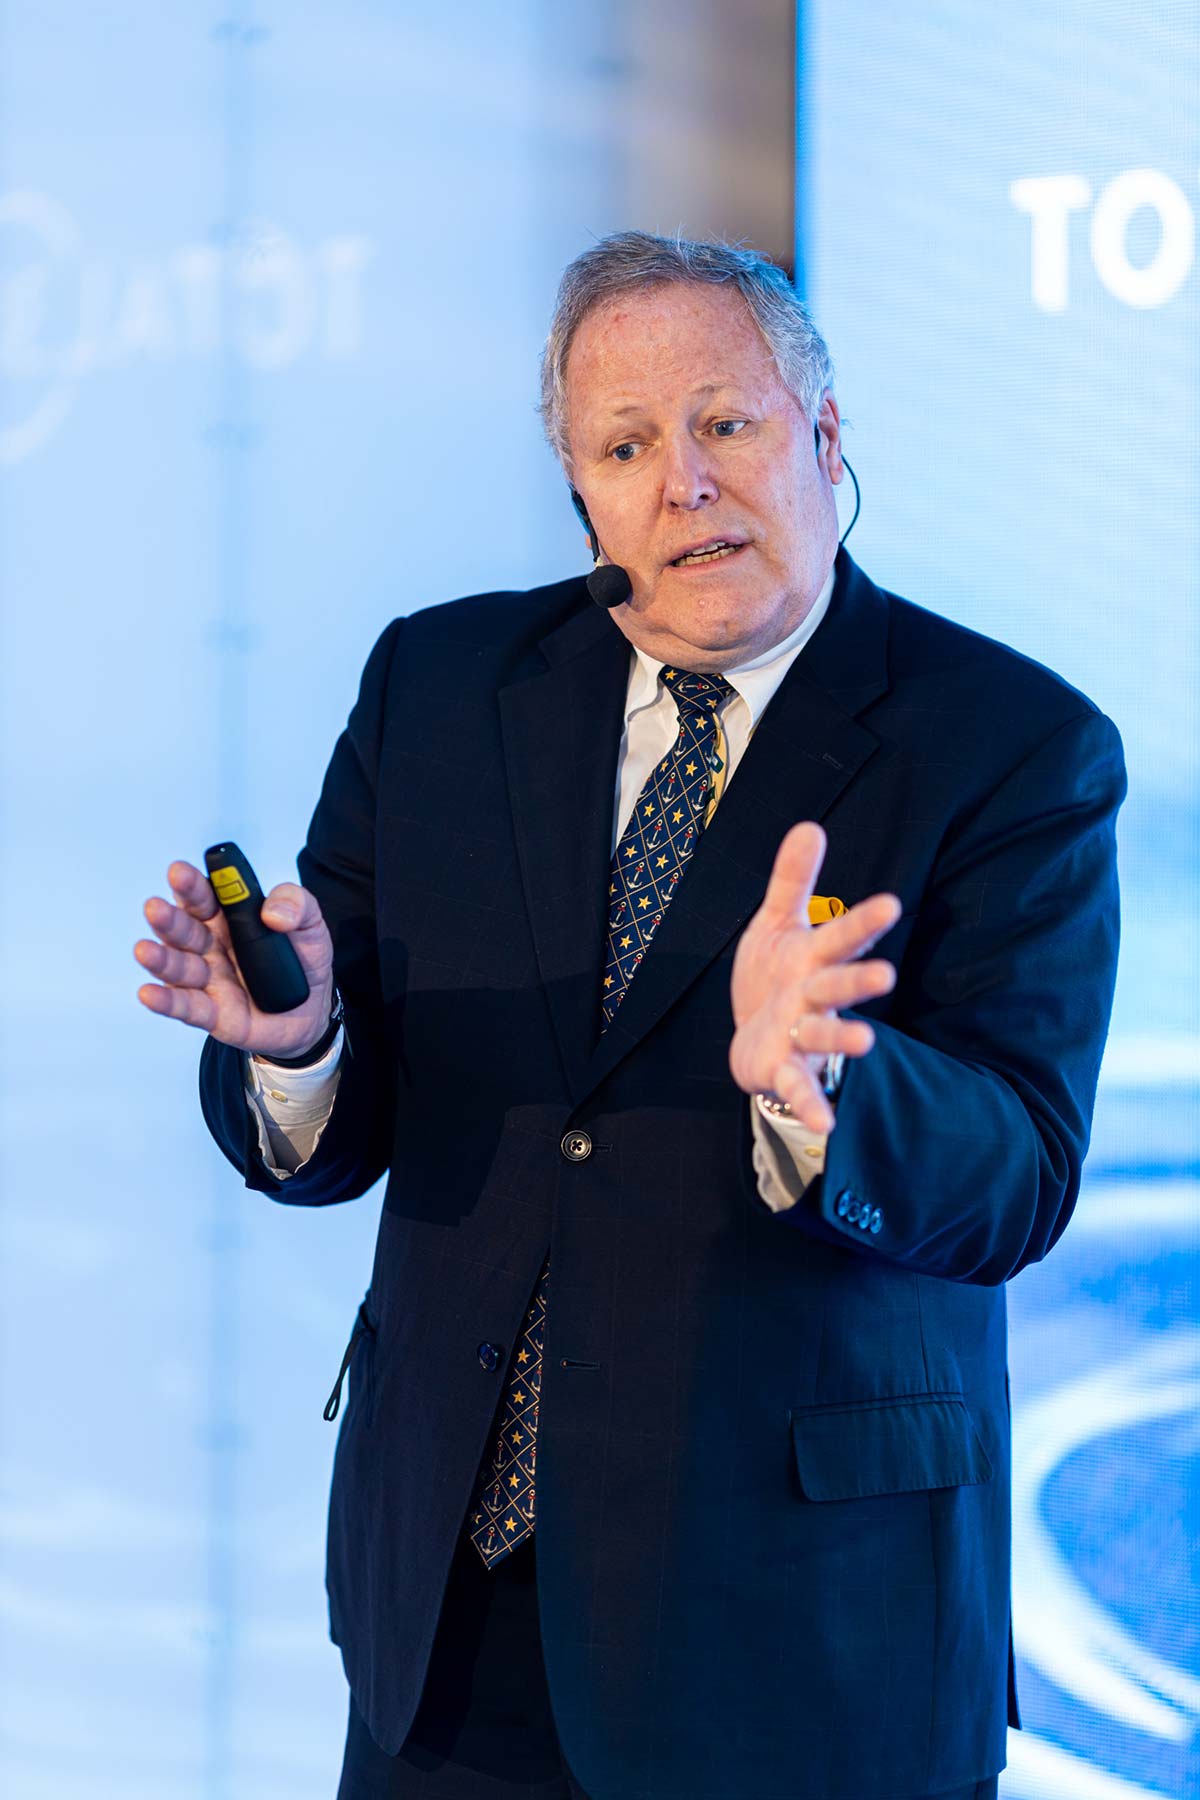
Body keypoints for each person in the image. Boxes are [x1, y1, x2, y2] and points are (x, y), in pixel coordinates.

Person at [135, 231, 1126, 1800]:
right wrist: (302, 1041)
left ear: (825, 435)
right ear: (579, 490)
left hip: (801, 1641)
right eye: (625, 446)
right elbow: (349, 1118)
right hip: (446, 1620)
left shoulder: (1009, 744)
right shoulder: (442, 686)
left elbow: (1022, 1176)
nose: (685, 483)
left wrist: (823, 1086)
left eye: (725, 422)